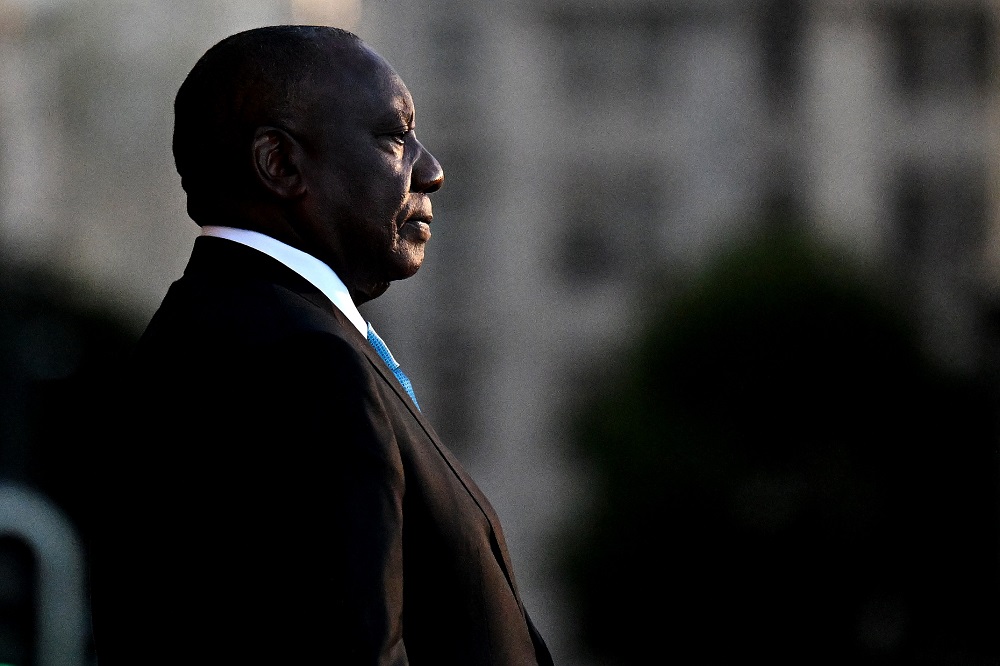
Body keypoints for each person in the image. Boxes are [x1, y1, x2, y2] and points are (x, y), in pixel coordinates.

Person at [89, 24, 553, 666]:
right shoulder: (304, 365)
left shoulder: (227, 333)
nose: (432, 171)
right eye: (395, 137)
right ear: (280, 164)